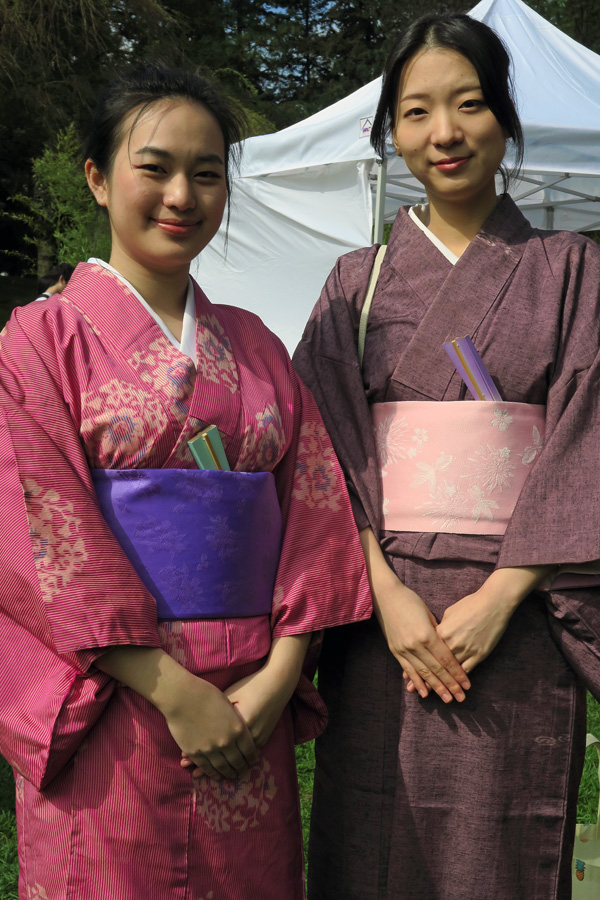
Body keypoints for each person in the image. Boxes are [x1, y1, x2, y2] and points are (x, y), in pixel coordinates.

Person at [0, 64, 371, 899]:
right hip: (113, 696)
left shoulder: (257, 345)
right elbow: (36, 531)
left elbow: (311, 514)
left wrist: (280, 675)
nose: (182, 194)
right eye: (155, 167)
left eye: (207, 175)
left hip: (252, 697)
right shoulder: (39, 340)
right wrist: (174, 692)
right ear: (97, 178)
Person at [294, 13, 600, 900]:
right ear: (392, 131)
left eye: (468, 105)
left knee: (496, 852)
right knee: (370, 831)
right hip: (379, 621)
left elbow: (587, 437)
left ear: (504, 118)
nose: (445, 133)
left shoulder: (572, 268)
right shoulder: (358, 281)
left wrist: (503, 595)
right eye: (417, 111)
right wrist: (383, 593)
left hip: (519, 620)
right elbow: (321, 455)